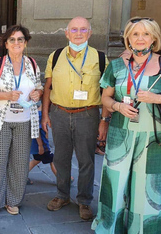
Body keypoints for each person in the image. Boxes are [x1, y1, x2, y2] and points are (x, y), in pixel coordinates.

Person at [92, 17, 161, 233]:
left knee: (147, 189)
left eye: (145, 34)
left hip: (154, 138)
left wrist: (157, 99)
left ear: (154, 38)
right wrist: (117, 106)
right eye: (135, 34)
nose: (140, 38)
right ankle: (110, 227)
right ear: (128, 38)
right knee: (114, 185)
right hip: (120, 135)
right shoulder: (116, 65)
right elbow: (105, 98)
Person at [42, 16, 109, 221]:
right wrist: (45, 114)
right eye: (74, 29)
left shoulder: (100, 57)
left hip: (87, 115)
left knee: (86, 160)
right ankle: (62, 195)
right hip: (59, 113)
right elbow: (47, 87)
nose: (78, 33)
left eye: (83, 30)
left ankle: (84, 201)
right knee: (61, 158)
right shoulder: (55, 56)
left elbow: (107, 91)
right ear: (66, 33)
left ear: (89, 33)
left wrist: (104, 120)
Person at [0, 25, 43, 219]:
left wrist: (37, 93)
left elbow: (39, 88)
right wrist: (7, 95)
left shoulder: (32, 64)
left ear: (25, 42)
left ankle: (13, 200)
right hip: (1, 121)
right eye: (12, 39)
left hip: (24, 121)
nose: (17, 43)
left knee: (20, 163)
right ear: (6, 43)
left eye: (20, 39)